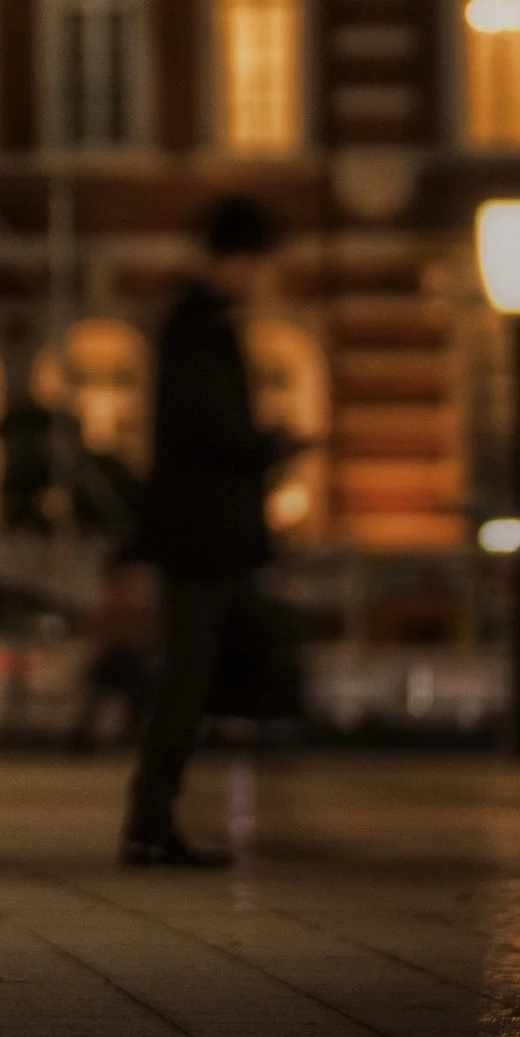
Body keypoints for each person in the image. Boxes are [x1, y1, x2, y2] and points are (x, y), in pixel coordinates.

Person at [119, 194, 302, 870]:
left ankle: (154, 818)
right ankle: (150, 820)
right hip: (203, 537)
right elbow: (203, 428)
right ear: (240, 259)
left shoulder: (197, 323)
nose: (264, 278)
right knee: (188, 680)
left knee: (195, 678)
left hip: (204, 534)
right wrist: (267, 444)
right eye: (260, 263)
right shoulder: (198, 327)